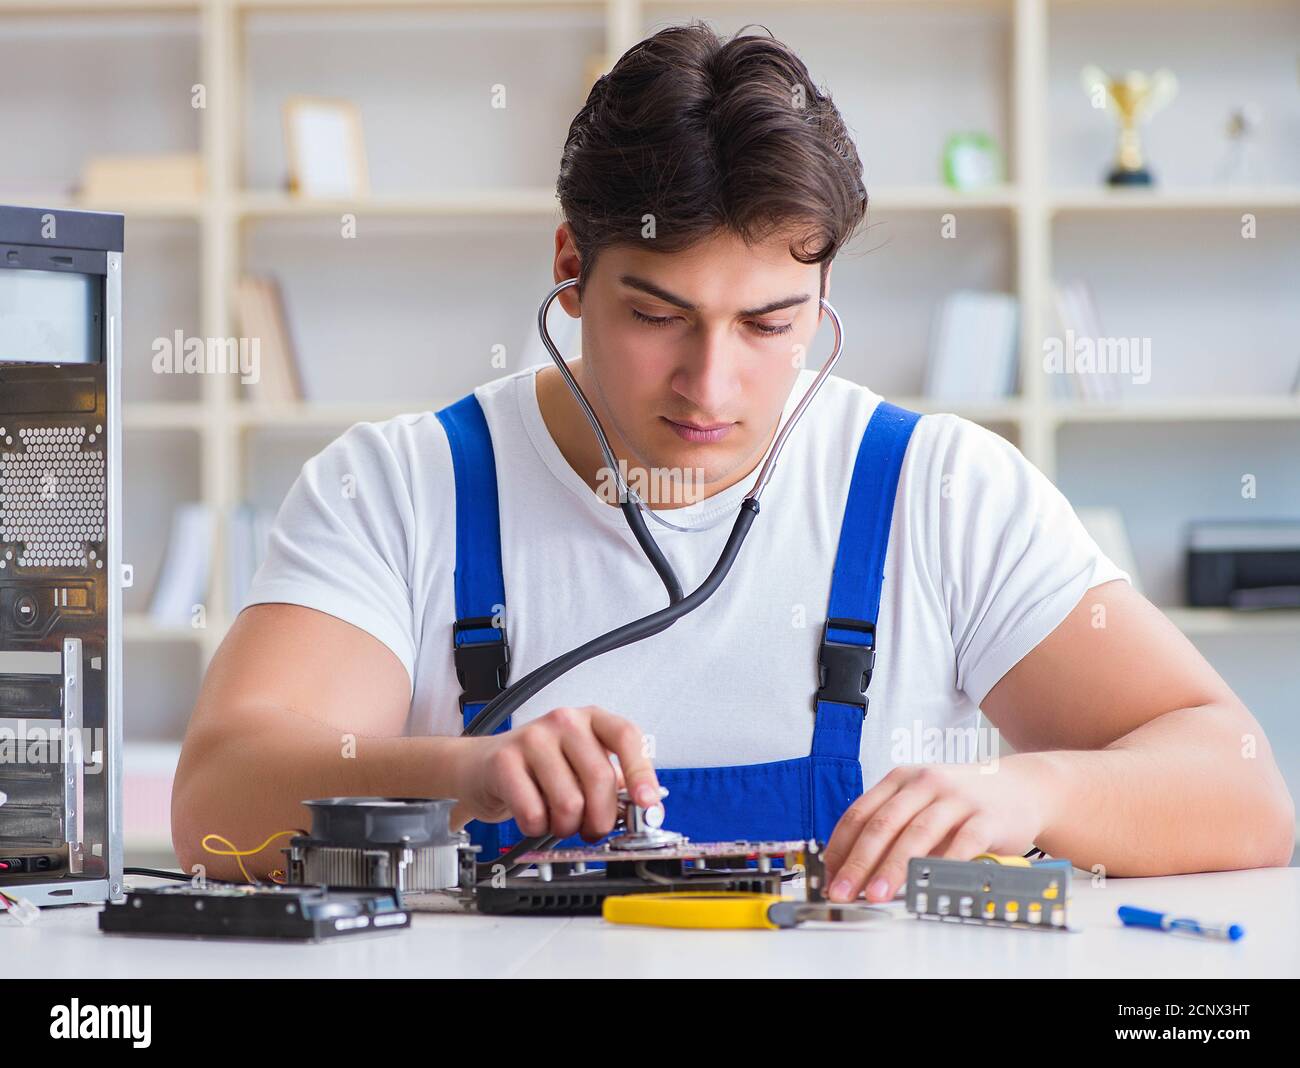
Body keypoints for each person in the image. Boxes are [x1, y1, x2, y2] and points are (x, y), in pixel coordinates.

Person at [172, 22, 1294, 900]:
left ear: (823, 297)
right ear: (571, 266)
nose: (709, 388)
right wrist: (464, 773)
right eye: (657, 316)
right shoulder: (400, 488)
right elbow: (218, 797)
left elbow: (1240, 784)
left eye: (768, 323)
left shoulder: (939, 490)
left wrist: (1033, 788)